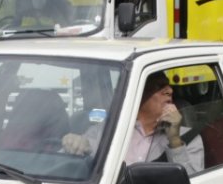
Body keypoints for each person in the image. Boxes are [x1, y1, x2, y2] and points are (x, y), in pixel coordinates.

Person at [62, 71, 204, 175]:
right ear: (138, 94)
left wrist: (174, 140)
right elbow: (77, 159)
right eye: (160, 86)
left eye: (169, 86)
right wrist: (72, 144)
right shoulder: (106, 131)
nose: (170, 91)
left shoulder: (187, 138)